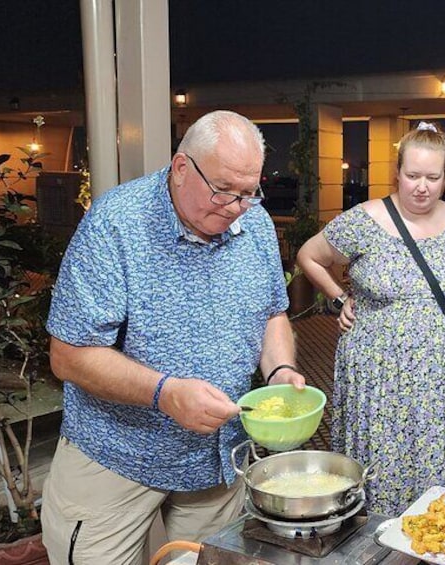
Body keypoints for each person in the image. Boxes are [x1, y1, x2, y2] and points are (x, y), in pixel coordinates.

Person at [41, 110, 306, 564]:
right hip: (116, 456)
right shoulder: (116, 223)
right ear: (182, 168)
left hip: (216, 457)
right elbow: (68, 355)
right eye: (223, 191)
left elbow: (271, 313)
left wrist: (280, 369)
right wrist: (164, 394)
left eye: (249, 192)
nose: (236, 207)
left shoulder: (255, 222)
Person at [296, 121, 445, 515]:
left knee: (439, 456)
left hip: (441, 371)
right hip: (377, 372)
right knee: (380, 462)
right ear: (397, 174)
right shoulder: (363, 221)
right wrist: (338, 299)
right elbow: (309, 255)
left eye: (432, 177)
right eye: (412, 175)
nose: (421, 186)